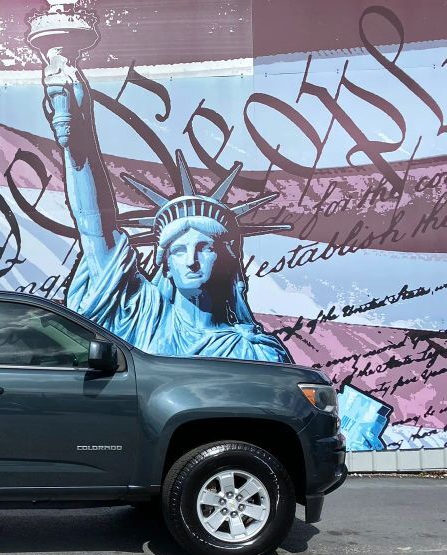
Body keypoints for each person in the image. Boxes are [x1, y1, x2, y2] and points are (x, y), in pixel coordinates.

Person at [41, 49, 291, 361]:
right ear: (167, 266)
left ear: (227, 260)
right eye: (178, 251)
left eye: (204, 248)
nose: (191, 261)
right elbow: (94, 227)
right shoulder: (142, 316)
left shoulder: (253, 351)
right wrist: (78, 139)